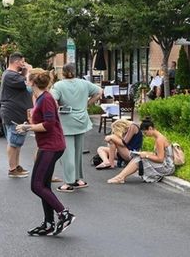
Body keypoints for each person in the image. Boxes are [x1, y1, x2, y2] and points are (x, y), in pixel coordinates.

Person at [15, 70, 75, 236]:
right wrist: (29, 125)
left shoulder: (46, 98)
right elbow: (44, 122)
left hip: (51, 146)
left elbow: (48, 124)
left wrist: (28, 127)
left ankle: (64, 214)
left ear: (32, 82)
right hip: (48, 144)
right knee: (44, 186)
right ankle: (48, 223)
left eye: (27, 79)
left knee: (37, 185)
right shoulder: (41, 98)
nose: (25, 82)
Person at [50, 63, 102, 192]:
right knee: (78, 152)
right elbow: (99, 91)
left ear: (63, 72)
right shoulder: (83, 83)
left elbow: (52, 100)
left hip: (66, 121)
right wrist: (87, 103)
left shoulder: (58, 85)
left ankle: (68, 182)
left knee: (68, 154)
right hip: (81, 119)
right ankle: (79, 179)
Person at [107, 117, 175, 184]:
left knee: (139, 159)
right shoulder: (159, 138)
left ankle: (120, 177)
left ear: (150, 128)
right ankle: (120, 177)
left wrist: (147, 156)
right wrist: (145, 153)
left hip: (166, 167)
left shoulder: (159, 140)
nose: (145, 135)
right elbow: (159, 154)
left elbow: (160, 159)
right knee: (138, 157)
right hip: (166, 164)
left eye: (145, 133)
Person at [0, 52, 34, 179]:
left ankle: (16, 166)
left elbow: (23, 80)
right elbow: (28, 82)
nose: (24, 63)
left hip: (18, 112)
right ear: (16, 62)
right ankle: (12, 168)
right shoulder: (10, 75)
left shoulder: (13, 75)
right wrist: (29, 70)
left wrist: (25, 71)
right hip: (13, 112)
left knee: (17, 141)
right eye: (22, 61)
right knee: (13, 141)